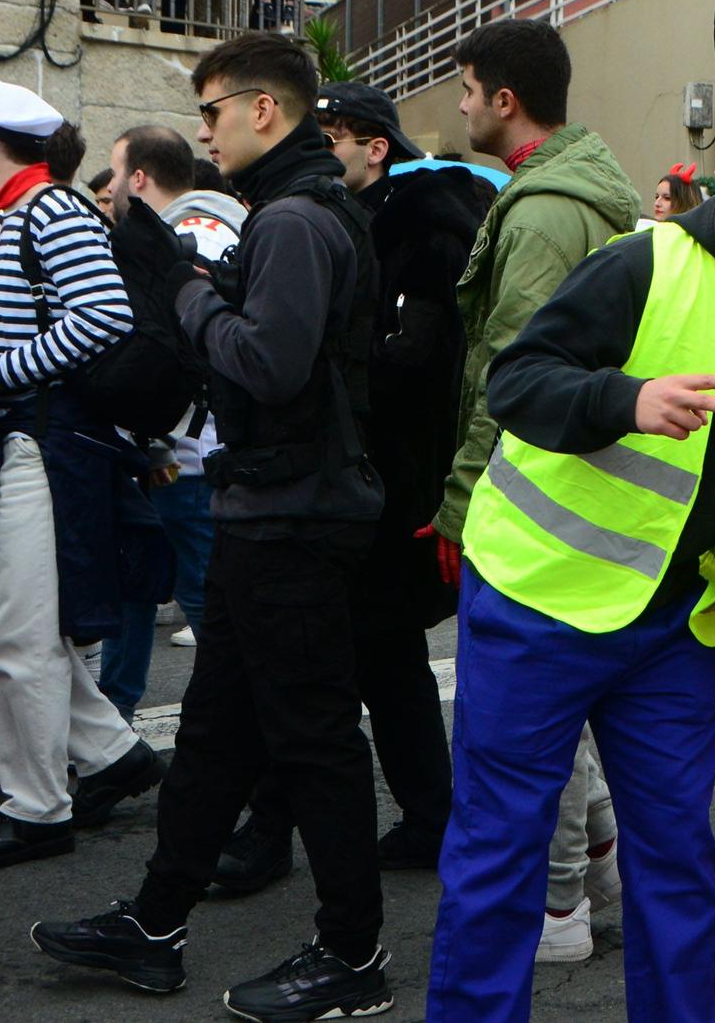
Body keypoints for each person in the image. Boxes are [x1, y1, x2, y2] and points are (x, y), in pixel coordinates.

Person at [430, 82, 715, 1023]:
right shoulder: (646, 261)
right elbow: (519, 381)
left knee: (677, 868)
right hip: (540, 599)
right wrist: (628, 399)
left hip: (671, 630)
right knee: (500, 857)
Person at [32, 32, 397, 1019]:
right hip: (268, 508)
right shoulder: (299, 210)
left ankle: (352, 955)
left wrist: (182, 291)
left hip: (289, 516)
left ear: (262, 111)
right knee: (213, 733)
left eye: (211, 112)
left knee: (314, 737)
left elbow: (267, 364)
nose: (203, 132)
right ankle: (154, 923)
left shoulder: (290, 221)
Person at [215, 80, 488, 892]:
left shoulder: (421, 224)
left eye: (333, 135)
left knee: (328, 664)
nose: (318, 148)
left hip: (381, 484)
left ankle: (280, 830)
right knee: (366, 660)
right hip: (358, 478)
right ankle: (421, 813)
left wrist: (341, 363)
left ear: (376, 148)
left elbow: (425, 362)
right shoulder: (347, 218)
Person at [428, 17, 641, 966]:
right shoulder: (569, 195)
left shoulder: (546, 212)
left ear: (506, 100)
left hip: (530, 504)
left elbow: (507, 382)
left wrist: (462, 503)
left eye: (468, 88)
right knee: (562, 711)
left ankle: (558, 908)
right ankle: (597, 859)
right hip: (568, 503)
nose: (461, 104)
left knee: (520, 722)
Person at [0, 74, 166, 872]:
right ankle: (112, 753)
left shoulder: (45, 209)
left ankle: (36, 808)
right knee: (4, 623)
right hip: (22, 439)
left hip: (44, 440)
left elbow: (105, 316)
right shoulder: (18, 215)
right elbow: (64, 314)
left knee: (23, 635)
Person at [92, 124, 246, 719]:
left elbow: (171, 342)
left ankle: (210, 729)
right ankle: (119, 725)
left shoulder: (168, 237)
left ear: (137, 177)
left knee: (196, 600)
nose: (109, 190)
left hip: (183, 449)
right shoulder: (229, 220)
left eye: (114, 173)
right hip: (197, 444)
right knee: (170, 591)